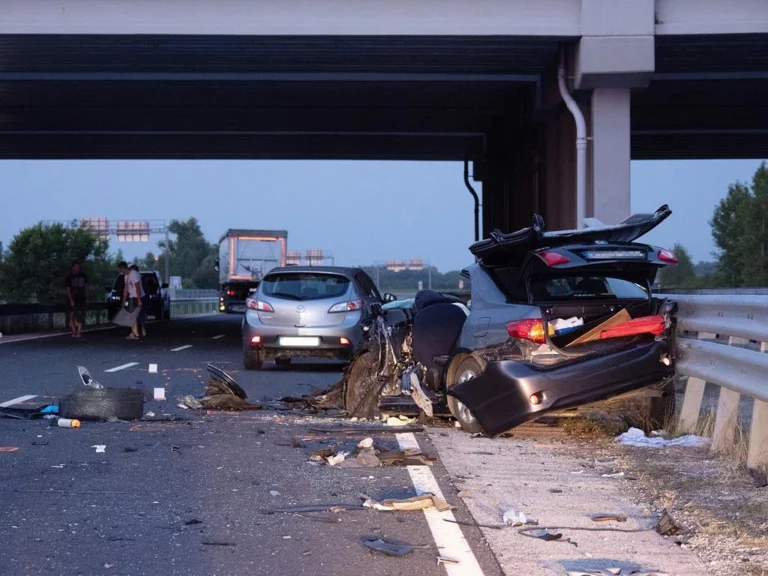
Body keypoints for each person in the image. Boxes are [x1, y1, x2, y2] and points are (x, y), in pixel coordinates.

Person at [118, 261, 142, 340]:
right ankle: (134, 332)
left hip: (135, 296)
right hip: (131, 297)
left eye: (121, 270)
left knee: (132, 315)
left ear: (124, 268)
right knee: (131, 315)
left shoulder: (134, 274)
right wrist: (124, 300)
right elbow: (126, 289)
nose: (121, 272)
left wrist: (139, 300)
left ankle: (135, 333)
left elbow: (137, 287)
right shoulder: (126, 276)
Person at [64, 260, 89, 338]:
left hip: (81, 298)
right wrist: (70, 299)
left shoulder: (83, 276)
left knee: (80, 316)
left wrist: (87, 297)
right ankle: (74, 331)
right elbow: (67, 289)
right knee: (72, 315)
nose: (77, 268)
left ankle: (78, 332)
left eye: (78, 267)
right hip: (73, 298)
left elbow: (86, 287)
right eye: (76, 267)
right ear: (73, 267)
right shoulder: (69, 277)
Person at [131, 264, 148, 338]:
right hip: (142, 298)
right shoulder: (141, 277)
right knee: (141, 314)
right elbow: (146, 289)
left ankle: (136, 331)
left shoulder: (134, 277)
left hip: (137, 298)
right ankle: (142, 329)